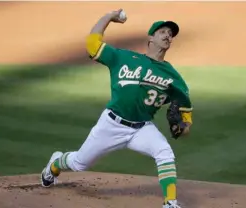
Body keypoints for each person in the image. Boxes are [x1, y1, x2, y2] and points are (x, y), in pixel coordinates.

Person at [40, 9, 193, 208]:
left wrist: (184, 127)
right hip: (111, 124)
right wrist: (108, 18)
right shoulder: (123, 58)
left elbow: (185, 111)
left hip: (141, 128)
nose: (168, 36)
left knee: (164, 152)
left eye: (170, 34)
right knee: (79, 163)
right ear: (150, 37)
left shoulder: (173, 76)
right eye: (163, 32)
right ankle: (54, 164)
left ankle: (170, 203)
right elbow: (92, 45)